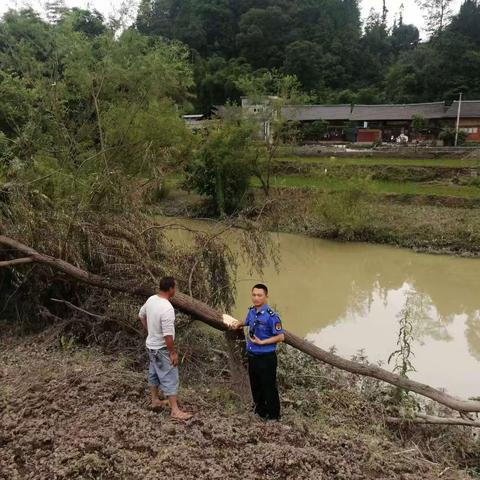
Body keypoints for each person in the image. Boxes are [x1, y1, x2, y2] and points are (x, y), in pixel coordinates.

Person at [138, 276, 192, 420]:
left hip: (150, 346)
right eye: (176, 287)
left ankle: (155, 400)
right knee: (171, 376)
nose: (176, 290)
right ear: (170, 289)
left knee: (154, 372)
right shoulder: (167, 308)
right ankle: (175, 410)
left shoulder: (151, 300)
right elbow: (168, 335)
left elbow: (141, 315)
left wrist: (151, 332)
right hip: (161, 348)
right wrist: (173, 353)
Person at [232, 283, 285, 420]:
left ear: (266, 297)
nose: (256, 298)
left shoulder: (272, 316)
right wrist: (239, 323)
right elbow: (249, 321)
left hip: (266, 358)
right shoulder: (252, 311)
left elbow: (280, 336)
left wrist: (262, 342)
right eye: (254, 295)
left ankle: (274, 417)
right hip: (253, 356)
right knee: (256, 386)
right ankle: (260, 412)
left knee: (269, 387)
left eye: (259, 295)